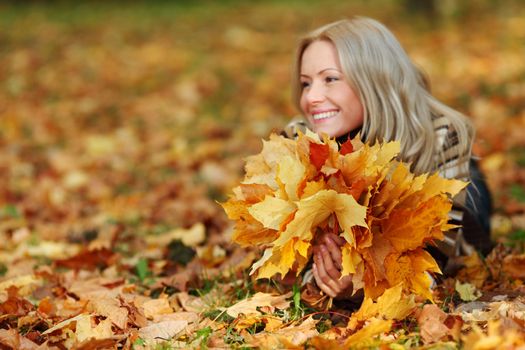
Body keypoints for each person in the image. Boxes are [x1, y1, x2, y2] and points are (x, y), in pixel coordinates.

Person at [281, 17, 493, 300]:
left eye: (330, 79)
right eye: (306, 84)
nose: (312, 97)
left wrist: (363, 285)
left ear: (373, 79)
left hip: (462, 215)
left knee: (473, 204)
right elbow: (285, 253)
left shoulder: (440, 137)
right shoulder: (299, 139)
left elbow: (441, 258)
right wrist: (322, 276)